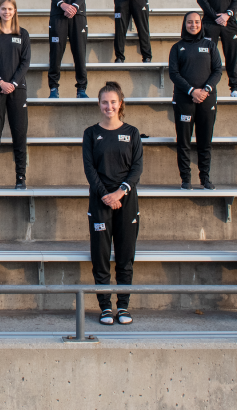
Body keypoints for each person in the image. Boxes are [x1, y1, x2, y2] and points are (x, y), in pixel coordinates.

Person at [82, 82, 143, 326]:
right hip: (100, 201)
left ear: (121, 104)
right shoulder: (90, 133)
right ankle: (105, 307)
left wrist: (119, 193)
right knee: (101, 256)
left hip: (126, 202)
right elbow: (89, 168)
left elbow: (136, 168)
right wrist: (106, 195)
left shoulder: (132, 132)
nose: (109, 106)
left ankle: (124, 306)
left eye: (113, 102)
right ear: (99, 104)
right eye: (104, 102)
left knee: (125, 257)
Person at [168, 12, 223, 190]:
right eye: (190, 22)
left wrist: (205, 90)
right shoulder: (177, 48)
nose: (193, 25)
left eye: (197, 22)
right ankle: (186, 179)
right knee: (184, 141)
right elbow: (174, 74)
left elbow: (217, 71)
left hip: (207, 100)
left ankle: (204, 178)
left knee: (204, 140)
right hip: (184, 99)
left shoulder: (210, 45)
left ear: (201, 24)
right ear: (184, 24)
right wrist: (192, 91)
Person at [0, 0, 30, 189]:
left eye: (10, 9)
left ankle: (20, 178)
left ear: (15, 11)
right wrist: (1, 82)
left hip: (17, 92)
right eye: (3, 9)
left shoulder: (22, 34)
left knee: (19, 135)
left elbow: (25, 62)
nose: (6, 12)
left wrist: (13, 84)